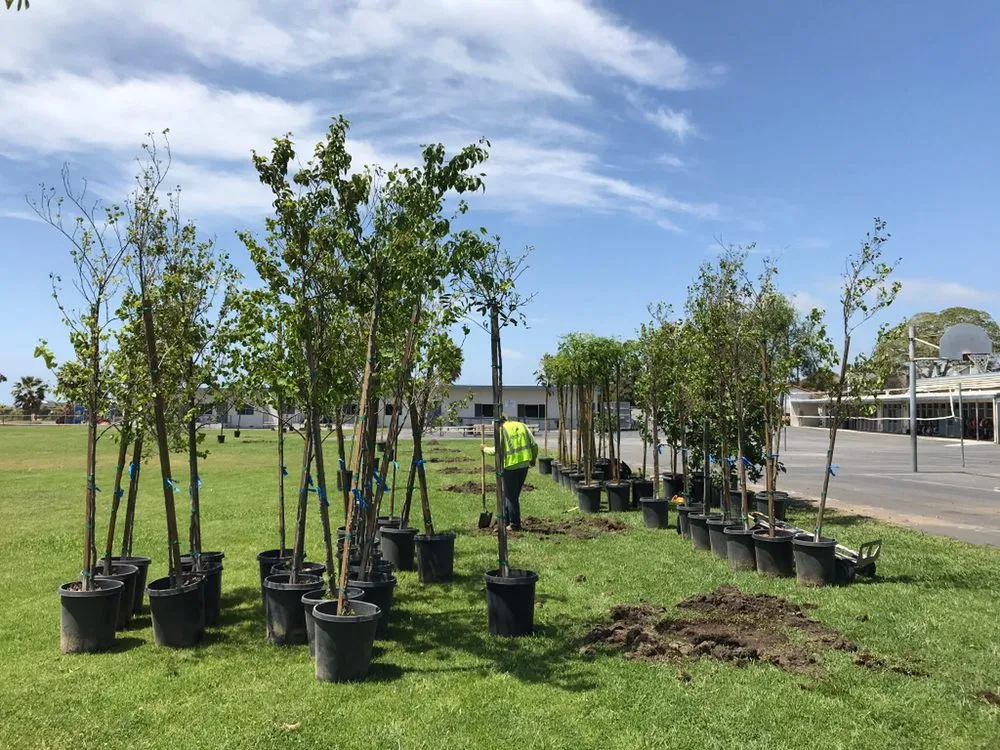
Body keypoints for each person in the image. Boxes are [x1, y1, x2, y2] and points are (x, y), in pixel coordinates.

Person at [481, 416, 538, 530]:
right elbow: (534, 445)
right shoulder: (522, 426)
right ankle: (505, 520)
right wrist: (533, 458)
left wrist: (484, 449)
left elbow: (497, 450)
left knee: (511, 497)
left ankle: (514, 524)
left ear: (498, 424)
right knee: (512, 495)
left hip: (510, 466)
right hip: (524, 464)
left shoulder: (502, 430)